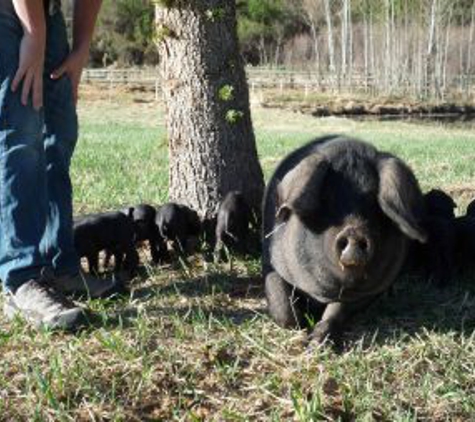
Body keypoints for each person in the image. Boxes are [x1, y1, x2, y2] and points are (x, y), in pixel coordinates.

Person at [0, 0, 116, 331]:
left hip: (48, 14)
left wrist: (80, 49)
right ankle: (21, 278)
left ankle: (59, 266)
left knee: (60, 132)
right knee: (21, 132)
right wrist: (33, 35)